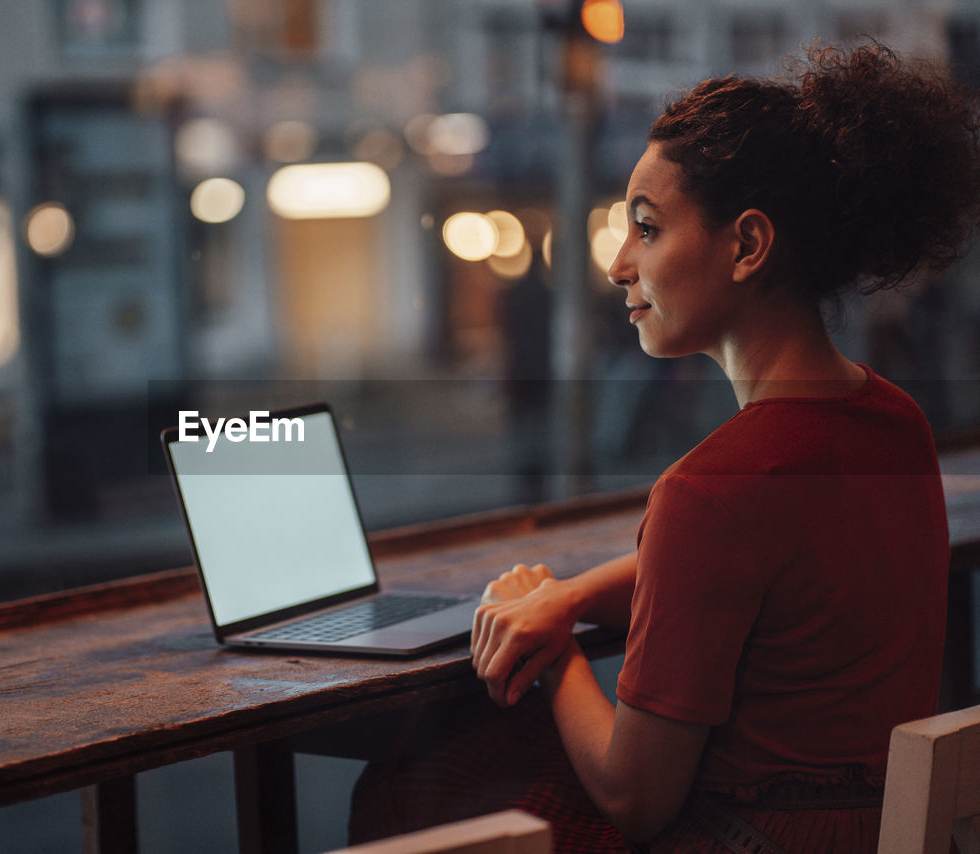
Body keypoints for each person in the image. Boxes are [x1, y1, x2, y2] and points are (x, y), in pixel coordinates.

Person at [350, 42, 980, 853]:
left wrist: (553, 658)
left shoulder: (711, 492)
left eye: (646, 229)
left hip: (746, 839)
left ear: (748, 246)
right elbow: (753, 567)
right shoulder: (894, 424)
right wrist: (568, 598)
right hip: (867, 828)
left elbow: (633, 799)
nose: (618, 266)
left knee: (418, 782)